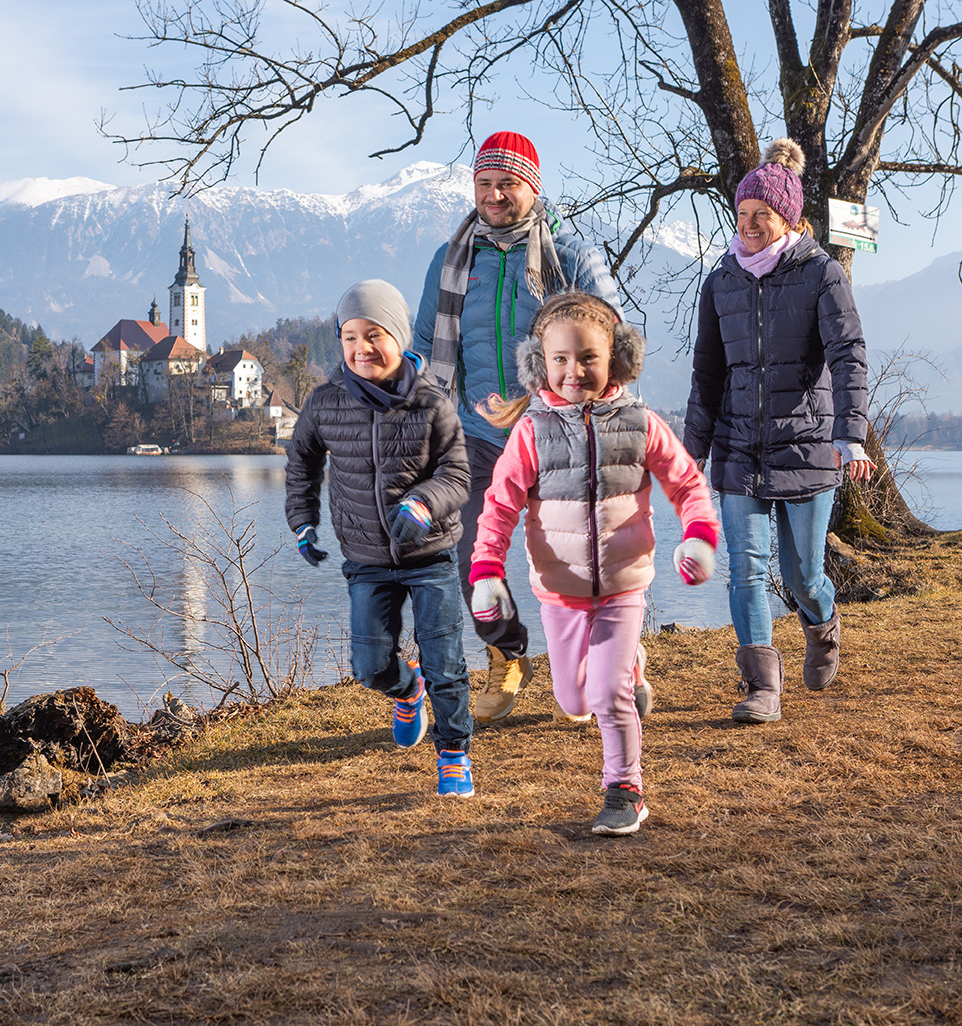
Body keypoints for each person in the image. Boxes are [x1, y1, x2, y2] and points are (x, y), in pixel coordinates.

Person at [469, 292, 719, 834]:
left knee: (608, 696)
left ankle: (624, 789)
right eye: (560, 359)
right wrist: (486, 570)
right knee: (573, 697)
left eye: (587, 358)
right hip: (559, 590)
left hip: (624, 585)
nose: (573, 370)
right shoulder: (531, 433)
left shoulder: (640, 422)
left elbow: (687, 483)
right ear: (540, 363)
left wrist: (698, 535)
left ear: (617, 359)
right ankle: (630, 664)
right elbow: (499, 505)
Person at [413, 130, 633, 725]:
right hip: (476, 434)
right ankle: (506, 654)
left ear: (531, 187)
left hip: (558, 432)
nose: (494, 194)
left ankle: (612, 660)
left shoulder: (570, 253)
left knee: (575, 553)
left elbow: (616, 332)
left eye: (506, 183)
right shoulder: (453, 259)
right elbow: (423, 346)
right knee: (470, 553)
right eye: (484, 183)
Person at [683, 138, 874, 725]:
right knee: (745, 567)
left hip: (808, 446)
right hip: (740, 449)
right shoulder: (721, 280)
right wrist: (688, 454)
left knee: (801, 575)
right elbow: (707, 372)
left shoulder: (822, 273)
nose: (748, 227)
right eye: (740, 216)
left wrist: (851, 434)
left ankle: (824, 624)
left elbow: (847, 352)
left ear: (786, 218)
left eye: (760, 216)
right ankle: (762, 685)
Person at [286, 279, 477, 796]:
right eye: (350, 336)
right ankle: (405, 687)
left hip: (431, 552)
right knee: (370, 666)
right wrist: (302, 521)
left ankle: (454, 753)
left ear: (396, 335)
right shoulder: (326, 402)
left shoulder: (431, 402)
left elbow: (458, 474)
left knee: (446, 660)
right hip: (366, 556)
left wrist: (422, 502)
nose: (361, 348)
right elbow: (301, 462)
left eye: (374, 335)